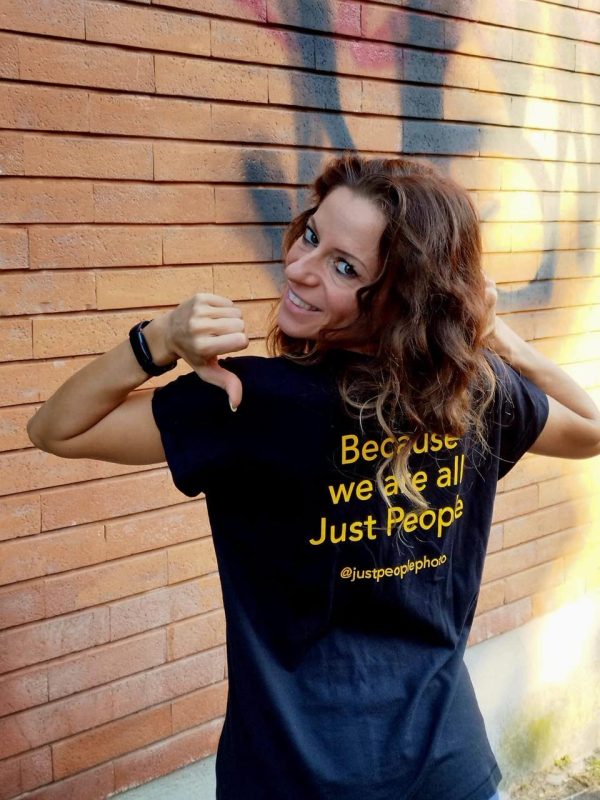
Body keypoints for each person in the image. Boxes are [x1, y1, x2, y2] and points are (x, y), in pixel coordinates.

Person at [27, 155, 600, 800]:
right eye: (311, 235)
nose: (300, 269)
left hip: (293, 779)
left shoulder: (248, 403)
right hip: (450, 769)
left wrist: (155, 340)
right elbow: (592, 426)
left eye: (344, 267)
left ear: (402, 298)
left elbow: (55, 429)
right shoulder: (472, 399)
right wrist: (498, 340)